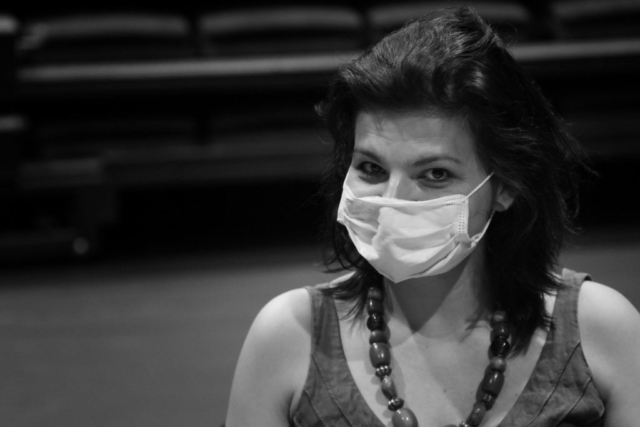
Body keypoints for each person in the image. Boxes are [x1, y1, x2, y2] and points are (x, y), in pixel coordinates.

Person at [225, 6, 640, 427]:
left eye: (435, 174)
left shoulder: (602, 328)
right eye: (371, 168)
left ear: (506, 186)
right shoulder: (287, 335)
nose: (393, 201)